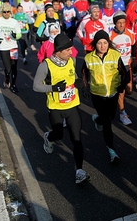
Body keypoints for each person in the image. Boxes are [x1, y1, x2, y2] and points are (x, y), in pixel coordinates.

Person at [33, 33, 89, 184]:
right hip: (56, 108)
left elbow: (74, 75)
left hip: (72, 105)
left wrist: (79, 84)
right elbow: (36, 86)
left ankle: (79, 171)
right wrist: (53, 88)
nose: (72, 52)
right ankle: (48, 138)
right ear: (58, 51)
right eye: (68, 50)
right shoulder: (46, 65)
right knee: (58, 135)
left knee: (76, 138)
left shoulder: (71, 61)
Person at [81, 30, 130, 163]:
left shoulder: (115, 55)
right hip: (97, 94)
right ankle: (112, 150)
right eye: (99, 43)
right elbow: (84, 74)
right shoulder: (88, 58)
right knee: (108, 124)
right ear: (95, 44)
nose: (102, 46)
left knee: (111, 117)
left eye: (105, 43)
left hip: (113, 93)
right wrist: (84, 88)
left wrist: (122, 86)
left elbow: (126, 73)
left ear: (108, 43)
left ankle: (98, 120)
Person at [109, 11, 135, 125]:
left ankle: (117, 101)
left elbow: (133, 46)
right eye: (119, 23)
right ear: (115, 23)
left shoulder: (130, 33)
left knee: (129, 90)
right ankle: (122, 112)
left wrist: (133, 59)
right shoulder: (110, 35)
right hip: (116, 66)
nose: (121, 25)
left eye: (123, 22)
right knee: (121, 91)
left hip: (127, 65)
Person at [0, 3, 22, 93]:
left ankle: (14, 85)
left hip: (13, 47)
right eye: (4, 12)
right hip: (3, 47)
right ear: (1, 12)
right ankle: (7, 77)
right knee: (8, 68)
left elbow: (19, 34)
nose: (6, 13)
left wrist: (16, 36)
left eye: (8, 12)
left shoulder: (14, 22)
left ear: (10, 12)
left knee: (14, 67)